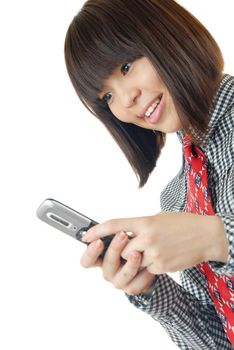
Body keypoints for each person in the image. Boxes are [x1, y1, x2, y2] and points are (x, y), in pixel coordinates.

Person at [64, 0, 234, 349]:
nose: (126, 100)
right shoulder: (177, 199)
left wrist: (219, 239)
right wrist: (150, 288)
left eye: (126, 66)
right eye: (107, 95)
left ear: (169, 36)